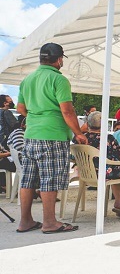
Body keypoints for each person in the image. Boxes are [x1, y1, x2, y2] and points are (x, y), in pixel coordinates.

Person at [16, 42, 87, 234]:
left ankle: (25, 221)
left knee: (28, 179)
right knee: (49, 179)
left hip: (31, 135)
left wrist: (36, 115)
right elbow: (67, 110)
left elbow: (20, 109)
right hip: (53, 135)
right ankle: (49, 223)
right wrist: (78, 133)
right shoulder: (59, 79)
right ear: (59, 59)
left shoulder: (28, 79)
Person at [76, 111, 120, 218]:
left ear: (88, 124)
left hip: (86, 174)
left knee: (118, 170)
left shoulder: (80, 139)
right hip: (104, 173)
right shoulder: (108, 138)